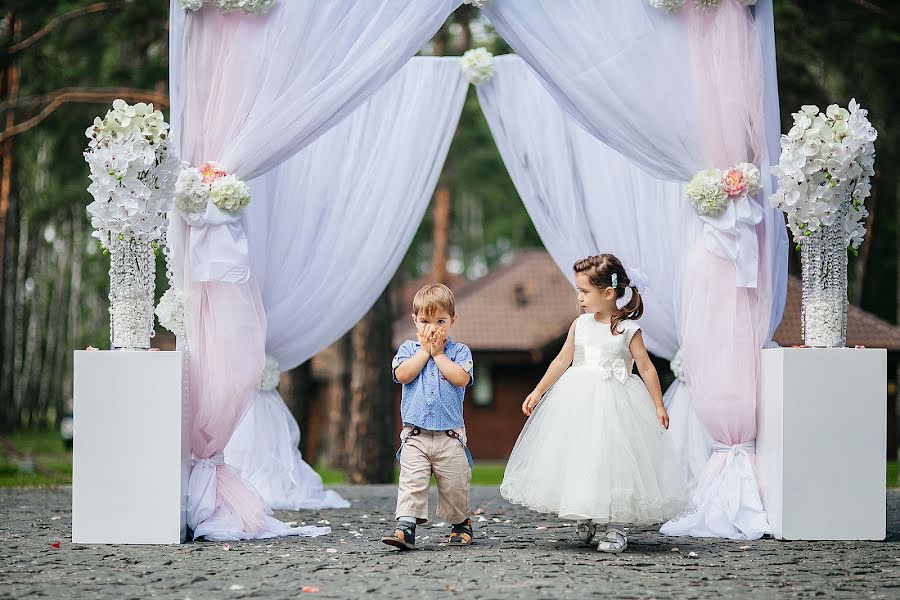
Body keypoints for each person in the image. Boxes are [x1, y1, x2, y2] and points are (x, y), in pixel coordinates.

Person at [500, 254, 686, 553]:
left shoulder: (627, 330)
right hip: (579, 400)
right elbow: (562, 360)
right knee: (581, 456)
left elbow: (647, 367)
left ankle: (616, 526)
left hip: (618, 403)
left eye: (584, 291)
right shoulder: (581, 325)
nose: (580, 298)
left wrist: (658, 405)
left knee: (615, 461)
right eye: (579, 291)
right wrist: (538, 391)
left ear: (608, 293)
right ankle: (585, 510)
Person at [381, 283, 475, 550]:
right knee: (411, 481)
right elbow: (402, 375)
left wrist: (438, 354)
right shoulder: (408, 350)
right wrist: (425, 352)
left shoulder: (459, 352)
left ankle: (461, 523)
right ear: (415, 321)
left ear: (452, 320)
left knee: (455, 484)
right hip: (415, 435)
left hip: (450, 436)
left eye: (440, 321)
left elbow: (460, 378)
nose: (433, 328)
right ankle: (405, 527)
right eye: (425, 321)